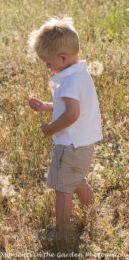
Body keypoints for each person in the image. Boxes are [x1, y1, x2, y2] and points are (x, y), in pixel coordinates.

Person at [28, 17, 103, 238]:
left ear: (62, 58)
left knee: (62, 188)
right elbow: (69, 106)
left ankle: (61, 232)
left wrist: (51, 128)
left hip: (69, 145)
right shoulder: (81, 75)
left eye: (49, 63)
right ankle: (93, 219)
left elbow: (71, 113)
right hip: (82, 144)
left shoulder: (68, 82)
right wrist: (46, 107)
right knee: (78, 180)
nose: (48, 67)